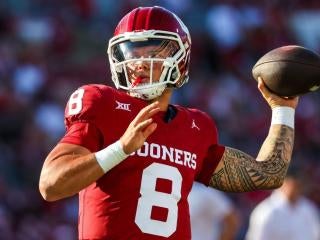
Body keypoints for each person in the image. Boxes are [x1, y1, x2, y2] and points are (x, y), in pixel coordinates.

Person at [39, 6, 299, 240]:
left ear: (181, 59)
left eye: (152, 50)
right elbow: (50, 185)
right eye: (130, 51)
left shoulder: (195, 126)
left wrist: (283, 110)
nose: (138, 62)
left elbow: (267, 174)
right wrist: (121, 149)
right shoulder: (102, 104)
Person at [245, 169, 320, 240]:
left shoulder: (308, 208)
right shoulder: (266, 212)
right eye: (294, 184)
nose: (297, 189)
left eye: (299, 185)